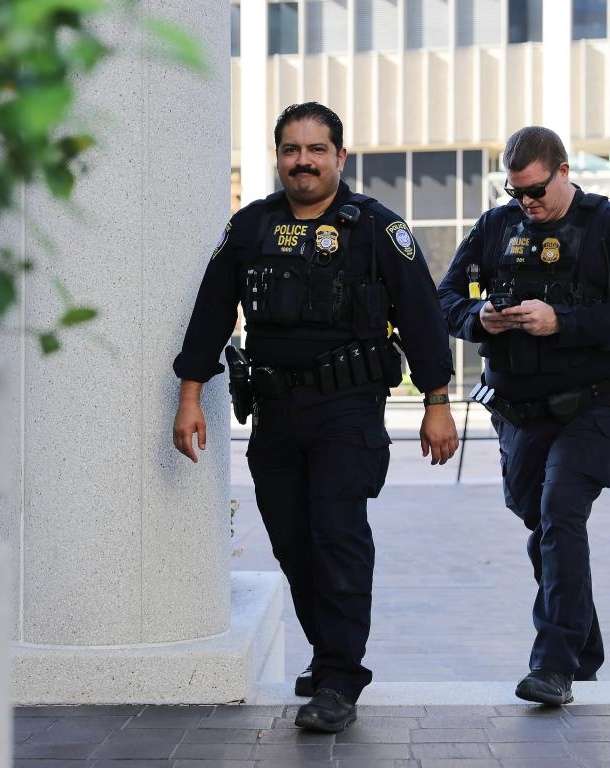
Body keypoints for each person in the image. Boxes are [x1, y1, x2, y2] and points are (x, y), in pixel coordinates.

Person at [172, 102, 458, 732]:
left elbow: (421, 317)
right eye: (291, 150)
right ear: (279, 157)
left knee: (336, 534)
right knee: (294, 544)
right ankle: (332, 654)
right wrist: (190, 392)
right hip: (275, 413)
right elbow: (213, 311)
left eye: (316, 150)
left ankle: (339, 677)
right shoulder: (250, 227)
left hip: (347, 411)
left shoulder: (377, 230)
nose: (302, 161)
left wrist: (437, 402)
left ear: (340, 158)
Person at [438, 126, 610, 706]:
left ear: (563, 170)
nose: (527, 205)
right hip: (518, 412)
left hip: (595, 404)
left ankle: (553, 667)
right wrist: (477, 319)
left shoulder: (608, 225)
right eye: (517, 194)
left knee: (561, 513)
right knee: (538, 520)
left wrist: (561, 320)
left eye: (536, 191)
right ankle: (582, 644)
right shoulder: (494, 226)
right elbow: (444, 299)